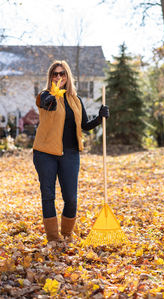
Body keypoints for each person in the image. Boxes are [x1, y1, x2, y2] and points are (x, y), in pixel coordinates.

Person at [33, 60, 109, 242]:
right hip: (45, 153)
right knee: (48, 195)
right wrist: (53, 95)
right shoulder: (45, 96)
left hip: (70, 153)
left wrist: (100, 118)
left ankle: (66, 236)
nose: (59, 77)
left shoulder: (76, 100)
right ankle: (53, 238)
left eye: (62, 74)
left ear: (67, 77)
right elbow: (45, 104)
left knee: (71, 198)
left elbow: (84, 125)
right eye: (55, 74)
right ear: (51, 77)